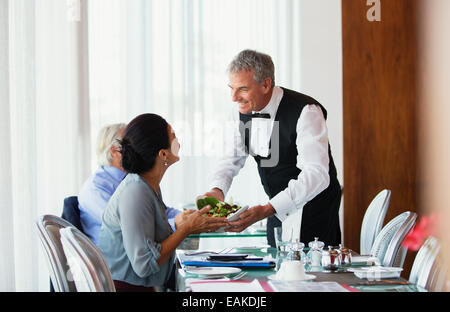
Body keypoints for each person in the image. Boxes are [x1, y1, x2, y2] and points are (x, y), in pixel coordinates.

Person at [203, 49, 342, 247]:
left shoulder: (306, 111)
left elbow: (317, 173)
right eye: (230, 88)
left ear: (266, 84)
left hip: (314, 211)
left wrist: (268, 208)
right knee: (276, 270)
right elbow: (229, 160)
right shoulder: (239, 114)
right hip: (276, 209)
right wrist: (217, 190)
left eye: (242, 89)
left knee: (312, 275)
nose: (234, 97)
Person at [98, 113, 228, 292]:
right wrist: (187, 228)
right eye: (173, 136)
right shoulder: (135, 192)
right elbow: (144, 265)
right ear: (163, 153)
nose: (178, 141)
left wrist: (184, 223)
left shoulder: (147, 185)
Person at [78, 123, 183, 245]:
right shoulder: (95, 188)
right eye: (130, 145)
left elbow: (161, 212)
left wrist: (188, 217)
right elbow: (125, 226)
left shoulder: (137, 178)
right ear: (114, 151)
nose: (139, 148)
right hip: (114, 260)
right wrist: (175, 224)